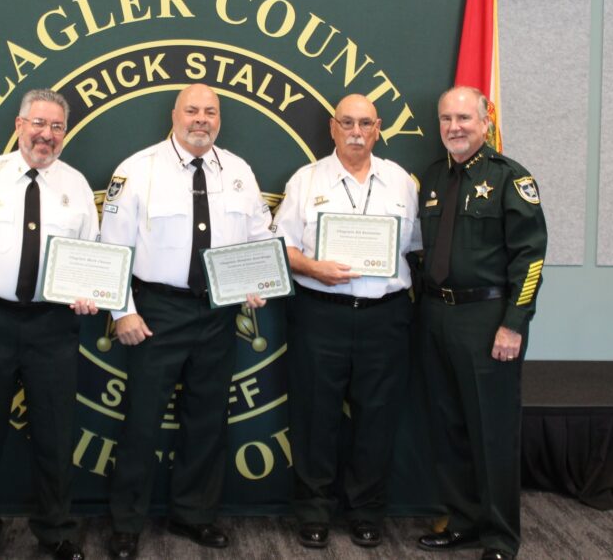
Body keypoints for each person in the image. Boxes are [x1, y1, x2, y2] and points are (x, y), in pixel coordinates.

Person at [99, 83, 273, 559]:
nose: (202, 119)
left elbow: (259, 237)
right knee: (141, 420)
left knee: (208, 418)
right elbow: (112, 248)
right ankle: (126, 523)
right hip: (156, 310)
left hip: (218, 310)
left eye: (211, 112)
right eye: (192, 110)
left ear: (220, 119)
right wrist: (123, 311)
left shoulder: (238, 170)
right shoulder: (137, 170)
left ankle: (194, 515)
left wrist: (259, 281)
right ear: (174, 115)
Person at [0, 89, 98, 560]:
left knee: (55, 434)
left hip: (53, 325)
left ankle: (57, 531)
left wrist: (90, 290)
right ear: (18, 125)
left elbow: (91, 253)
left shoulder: (76, 184)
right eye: (39, 123)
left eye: (57, 127)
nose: (47, 135)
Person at [272, 93, 421, 549]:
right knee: (315, 415)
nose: (356, 131)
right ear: (333, 127)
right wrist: (313, 268)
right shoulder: (306, 179)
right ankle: (314, 511)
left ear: (378, 129)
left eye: (365, 123)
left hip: (385, 316)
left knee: (376, 417)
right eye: (347, 122)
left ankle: (366, 511)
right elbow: (280, 247)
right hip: (321, 314)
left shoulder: (401, 182)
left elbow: (413, 247)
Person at [415, 86, 547, 560]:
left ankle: (499, 537)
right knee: (448, 426)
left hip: (487, 319)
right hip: (435, 315)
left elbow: (530, 260)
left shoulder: (511, 178)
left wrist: (514, 323)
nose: (454, 127)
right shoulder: (431, 179)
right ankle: (463, 522)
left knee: (491, 432)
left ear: (485, 121)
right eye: (447, 119)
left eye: (464, 118)